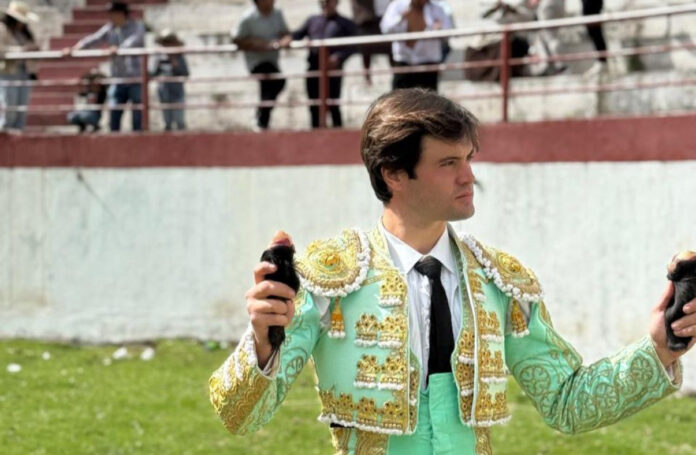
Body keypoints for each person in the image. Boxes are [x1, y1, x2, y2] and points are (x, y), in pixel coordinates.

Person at [209, 88, 694, 453]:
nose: (469, 176)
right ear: (393, 174)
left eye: (468, 159)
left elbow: (569, 403)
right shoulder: (328, 279)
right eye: (448, 163)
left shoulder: (499, 282)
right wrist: (262, 345)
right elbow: (238, 416)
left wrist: (657, 348)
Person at [71, 1, 146, 132]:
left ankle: (138, 138)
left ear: (121, 14)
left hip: (135, 78)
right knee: (114, 111)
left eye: (112, 13)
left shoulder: (137, 26)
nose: (110, 17)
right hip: (118, 78)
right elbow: (93, 39)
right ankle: (114, 137)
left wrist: (119, 49)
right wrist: (75, 49)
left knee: (137, 114)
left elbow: (134, 41)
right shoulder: (110, 28)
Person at [293, 0, 358, 129]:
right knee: (314, 105)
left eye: (328, 1)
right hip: (314, 68)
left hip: (333, 71)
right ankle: (315, 135)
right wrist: (289, 39)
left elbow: (354, 45)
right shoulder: (312, 20)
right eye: (323, 1)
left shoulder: (345, 23)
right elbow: (296, 35)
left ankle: (337, 134)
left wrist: (339, 57)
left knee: (333, 104)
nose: (325, 4)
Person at [233, 0, 292, 131]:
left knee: (270, 87)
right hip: (255, 61)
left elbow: (286, 33)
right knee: (276, 82)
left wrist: (284, 41)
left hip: (273, 60)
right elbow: (236, 39)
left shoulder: (277, 13)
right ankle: (261, 118)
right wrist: (261, 44)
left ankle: (262, 121)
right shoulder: (248, 17)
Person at [380, 0, 452, 91]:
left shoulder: (437, 8)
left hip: (428, 63)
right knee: (400, 97)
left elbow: (448, 32)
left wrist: (439, 30)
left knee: (428, 97)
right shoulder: (397, 6)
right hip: (404, 61)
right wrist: (401, 18)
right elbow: (385, 28)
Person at [0, 1, 39, 131]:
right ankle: (6, 130)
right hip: (8, 71)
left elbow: (33, 47)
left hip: (24, 71)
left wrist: (33, 50)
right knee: (10, 104)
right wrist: (21, 50)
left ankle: (19, 130)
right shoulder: (2, 29)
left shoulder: (23, 33)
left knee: (22, 105)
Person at [150, 29, 189, 131]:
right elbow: (152, 73)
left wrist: (176, 64)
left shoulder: (179, 57)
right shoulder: (158, 57)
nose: (167, 46)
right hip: (163, 92)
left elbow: (185, 73)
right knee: (166, 121)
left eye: (169, 43)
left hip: (177, 92)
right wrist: (157, 65)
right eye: (165, 43)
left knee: (179, 120)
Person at [350, 0, 392, 85]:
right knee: (366, 49)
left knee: (391, 48)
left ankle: (394, 73)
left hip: (386, 16)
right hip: (367, 18)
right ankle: (367, 78)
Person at [581, 0, 608, 76]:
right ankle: (601, 61)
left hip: (591, 7)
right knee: (594, 33)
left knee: (596, 33)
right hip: (590, 7)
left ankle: (602, 61)